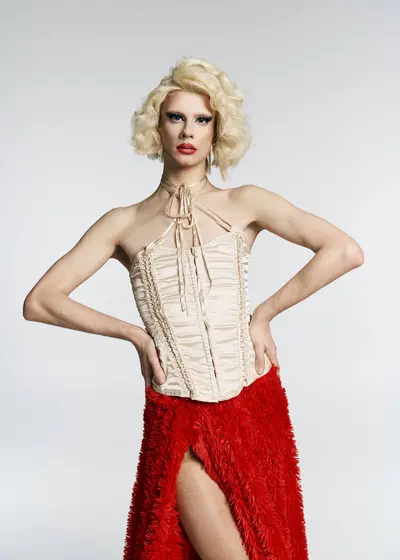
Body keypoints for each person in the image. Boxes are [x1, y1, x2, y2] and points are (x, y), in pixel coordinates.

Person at [23, 57, 364, 560]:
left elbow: (345, 251)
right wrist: (135, 335)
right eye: (175, 117)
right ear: (156, 127)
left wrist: (264, 313)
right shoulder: (123, 222)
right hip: (178, 412)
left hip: (252, 405)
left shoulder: (246, 201)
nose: (188, 131)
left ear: (216, 131)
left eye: (202, 120)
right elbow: (41, 301)